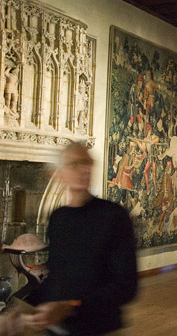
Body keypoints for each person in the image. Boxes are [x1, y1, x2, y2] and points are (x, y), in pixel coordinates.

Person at [0, 142, 138, 336]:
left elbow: (126, 286)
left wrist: (71, 306)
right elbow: (56, 277)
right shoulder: (59, 218)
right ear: (58, 174)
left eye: (88, 163)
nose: (84, 169)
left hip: (99, 328)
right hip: (60, 327)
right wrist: (20, 310)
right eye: (75, 164)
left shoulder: (114, 216)